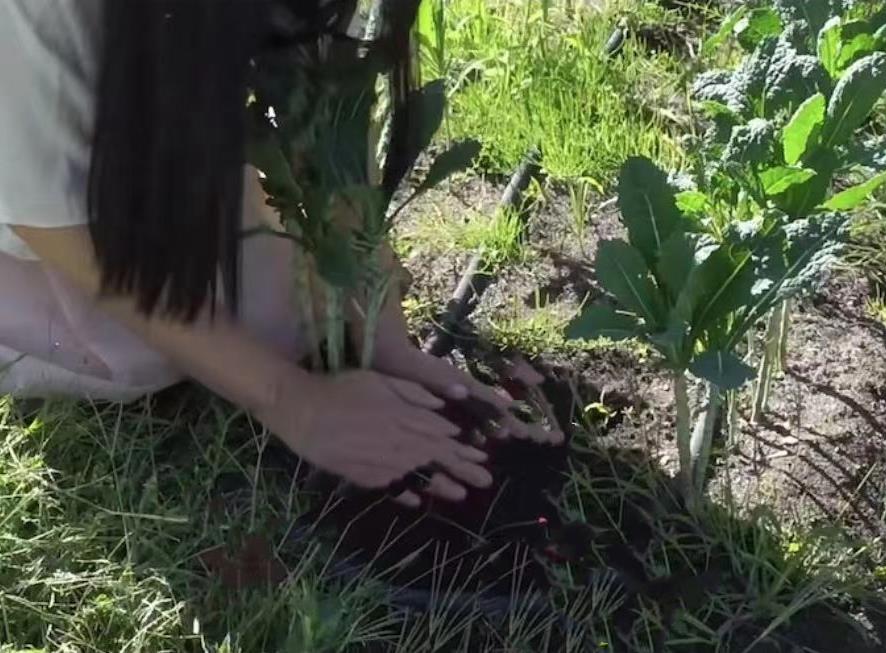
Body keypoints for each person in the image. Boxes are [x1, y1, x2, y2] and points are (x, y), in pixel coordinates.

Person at [0, 0, 557, 507]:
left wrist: (381, 331)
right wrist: (289, 397)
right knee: (148, 347)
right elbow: (57, 230)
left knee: (274, 305)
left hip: (123, 134)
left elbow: (324, 110)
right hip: (29, 209)